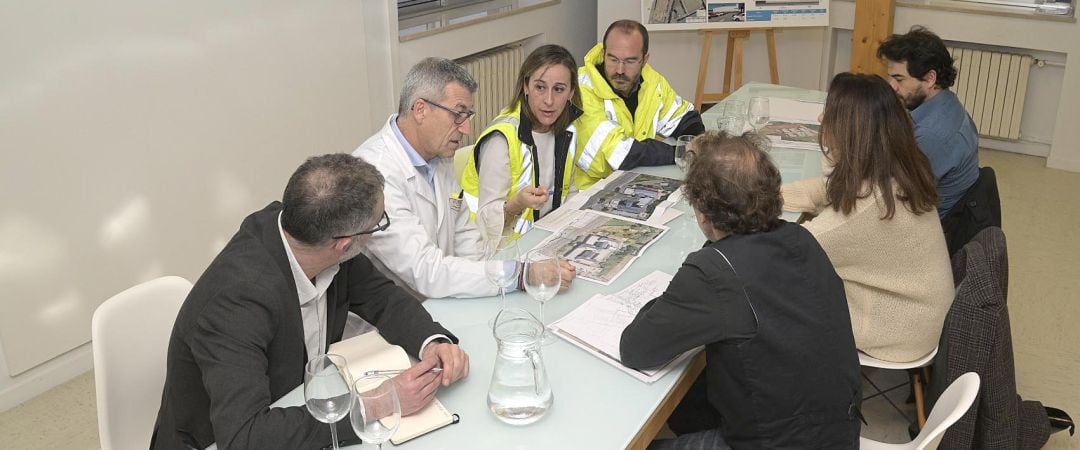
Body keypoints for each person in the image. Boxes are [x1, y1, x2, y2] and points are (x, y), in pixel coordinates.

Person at [151, 154, 469, 449]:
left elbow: (381, 296)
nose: (380, 228)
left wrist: (432, 341)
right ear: (344, 244)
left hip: (299, 398)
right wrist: (378, 403)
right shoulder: (235, 303)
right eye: (379, 223)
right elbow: (244, 437)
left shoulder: (312, 233)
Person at [621, 132, 862, 449]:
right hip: (837, 432)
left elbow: (636, 349)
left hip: (776, 442)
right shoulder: (800, 238)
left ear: (704, 215)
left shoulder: (714, 271)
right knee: (693, 401)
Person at [354, 58, 572, 299]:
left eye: (467, 115)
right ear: (420, 109)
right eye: (458, 115)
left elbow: (468, 242)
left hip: (441, 299)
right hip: (389, 322)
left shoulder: (437, 156)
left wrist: (503, 277)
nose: (467, 128)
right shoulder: (375, 174)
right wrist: (520, 275)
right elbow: (426, 271)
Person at [781, 72, 954, 363]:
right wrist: (768, 195)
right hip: (915, 310)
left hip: (898, 332)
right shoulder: (895, 171)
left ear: (852, 130)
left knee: (774, 295)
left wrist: (738, 207)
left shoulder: (865, 210)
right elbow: (829, 189)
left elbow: (787, 249)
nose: (822, 119)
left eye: (832, 114)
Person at [461, 44, 582, 239]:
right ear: (526, 86)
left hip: (545, 239)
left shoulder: (568, 130)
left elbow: (569, 192)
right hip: (497, 250)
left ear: (571, 93)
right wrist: (516, 204)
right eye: (540, 87)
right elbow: (486, 223)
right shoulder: (501, 140)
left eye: (559, 89)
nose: (549, 100)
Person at [574, 19, 705, 190]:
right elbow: (618, 153)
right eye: (612, 59)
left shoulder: (651, 81)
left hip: (634, 182)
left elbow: (683, 117)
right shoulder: (580, 88)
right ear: (604, 53)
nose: (619, 70)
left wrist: (700, 141)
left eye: (630, 61)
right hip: (586, 192)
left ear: (644, 60)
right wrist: (682, 152)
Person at [878, 26, 979, 218]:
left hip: (922, 222)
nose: (892, 87)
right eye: (891, 78)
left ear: (930, 78)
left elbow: (890, 194)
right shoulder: (948, 103)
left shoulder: (932, 136)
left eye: (900, 79)